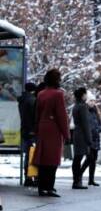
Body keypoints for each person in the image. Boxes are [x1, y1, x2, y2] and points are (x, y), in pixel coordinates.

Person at [34, 69, 70, 197]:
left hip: (42, 127)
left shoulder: (41, 94)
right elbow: (61, 116)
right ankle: (49, 187)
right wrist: (66, 134)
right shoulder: (58, 94)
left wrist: (37, 129)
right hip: (53, 129)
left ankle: (41, 187)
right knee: (52, 160)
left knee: (43, 159)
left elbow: (37, 113)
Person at [80, 92, 101, 186]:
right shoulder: (84, 111)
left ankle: (91, 179)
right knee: (89, 158)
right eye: (90, 100)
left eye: (93, 101)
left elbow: (99, 123)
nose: (92, 102)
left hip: (96, 138)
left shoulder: (95, 111)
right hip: (88, 138)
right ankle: (79, 174)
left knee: (94, 159)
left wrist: (99, 129)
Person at [72, 87, 92, 189]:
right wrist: (89, 139)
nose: (87, 96)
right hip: (82, 135)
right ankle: (77, 179)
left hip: (77, 134)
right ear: (83, 95)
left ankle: (76, 180)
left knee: (77, 158)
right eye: (86, 94)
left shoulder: (76, 106)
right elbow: (86, 124)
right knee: (86, 158)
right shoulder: (83, 107)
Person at [18, 82, 37, 186]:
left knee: (27, 154)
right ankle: (30, 177)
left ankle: (27, 177)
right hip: (31, 131)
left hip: (24, 130)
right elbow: (34, 117)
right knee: (32, 154)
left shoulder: (22, 100)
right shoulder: (32, 100)